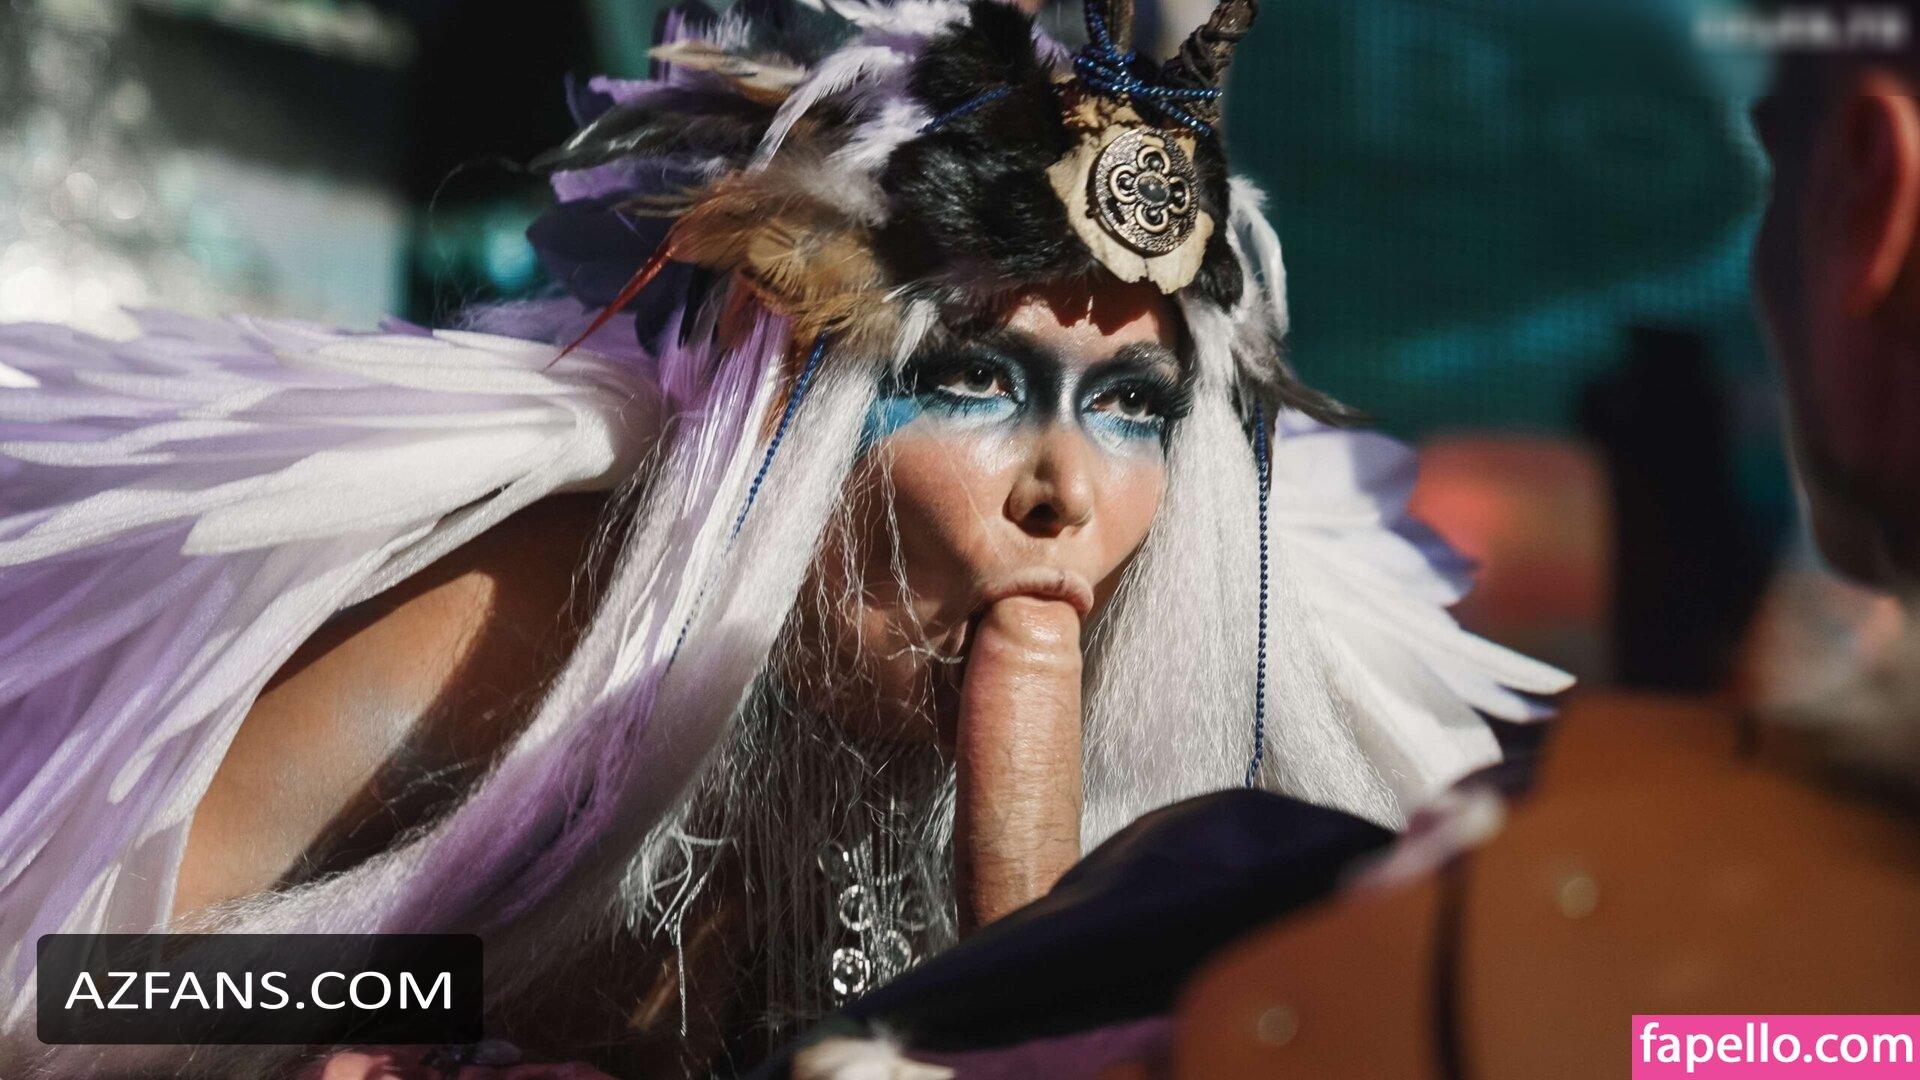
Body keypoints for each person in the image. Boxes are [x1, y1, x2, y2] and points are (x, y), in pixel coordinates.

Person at [0, 0, 1569, 1074]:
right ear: (792, 413)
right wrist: (453, 1011)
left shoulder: (1242, 714)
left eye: (1132, 406)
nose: (1063, 492)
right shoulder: (526, 609)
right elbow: (74, 987)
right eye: (973, 381)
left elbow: (1649, 1034)